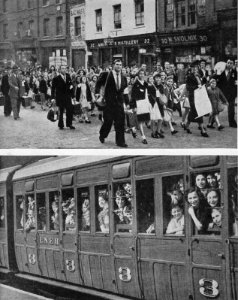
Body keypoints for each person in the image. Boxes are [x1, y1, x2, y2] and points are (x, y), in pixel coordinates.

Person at [95, 59, 129, 147]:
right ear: (113, 65)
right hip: (108, 103)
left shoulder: (124, 77)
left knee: (120, 123)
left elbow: (125, 92)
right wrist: (97, 93)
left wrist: (127, 103)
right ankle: (102, 135)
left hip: (119, 103)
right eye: (117, 64)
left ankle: (120, 142)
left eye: (120, 65)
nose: (119, 66)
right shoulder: (106, 74)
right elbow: (98, 83)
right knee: (108, 122)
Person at [51, 65, 75, 130]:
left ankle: (69, 124)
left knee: (69, 110)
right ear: (60, 70)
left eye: (65, 68)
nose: (64, 70)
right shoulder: (56, 78)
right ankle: (61, 125)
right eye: (62, 68)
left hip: (67, 97)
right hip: (60, 97)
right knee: (61, 111)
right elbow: (53, 89)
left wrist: (73, 96)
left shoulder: (68, 76)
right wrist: (52, 98)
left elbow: (71, 87)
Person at [130, 68, 150, 144]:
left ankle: (133, 129)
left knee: (146, 120)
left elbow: (147, 93)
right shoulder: (136, 84)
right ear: (138, 75)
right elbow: (133, 96)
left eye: (143, 74)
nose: (142, 75)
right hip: (138, 103)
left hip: (145, 103)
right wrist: (133, 106)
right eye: (140, 74)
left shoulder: (145, 83)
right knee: (140, 121)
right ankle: (143, 137)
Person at [217, 59, 237, 128]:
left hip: (231, 94)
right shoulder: (221, 71)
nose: (229, 64)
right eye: (228, 63)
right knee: (218, 107)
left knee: (231, 109)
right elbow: (217, 81)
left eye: (231, 63)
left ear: (233, 64)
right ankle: (212, 122)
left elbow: (236, 84)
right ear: (226, 64)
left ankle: (232, 123)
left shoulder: (235, 72)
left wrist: (235, 93)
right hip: (222, 92)